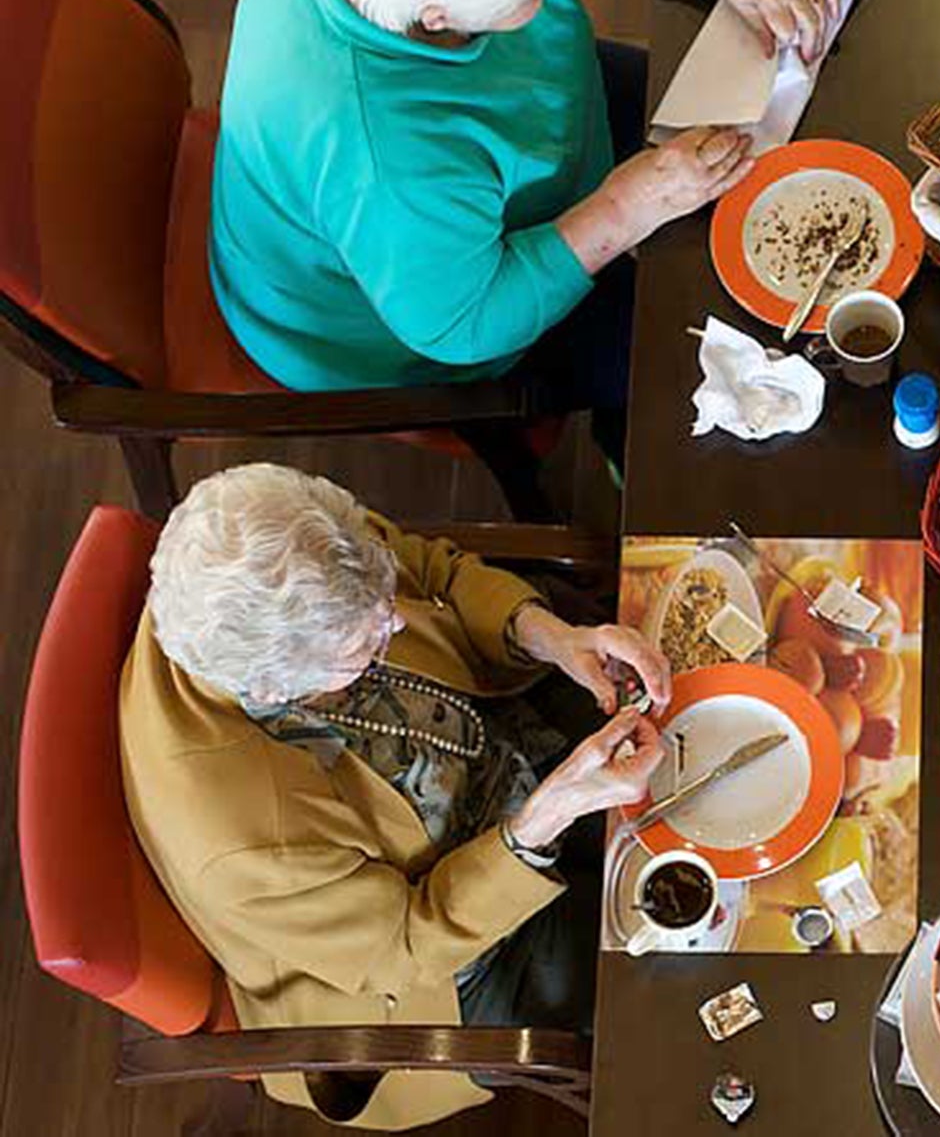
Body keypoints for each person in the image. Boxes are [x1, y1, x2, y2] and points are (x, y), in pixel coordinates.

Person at [210, 0, 842, 464]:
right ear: (438, 16)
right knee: (695, 358)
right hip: (419, 308)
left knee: (760, 154)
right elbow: (465, 322)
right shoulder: (384, 159)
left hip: (524, 135)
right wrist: (627, 206)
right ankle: (619, 443)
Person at [120, 463, 673, 1129]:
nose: (401, 628)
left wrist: (553, 638)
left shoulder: (270, 543)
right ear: (276, 691)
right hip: (444, 957)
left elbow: (427, 569)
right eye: (370, 646)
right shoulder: (237, 836)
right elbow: (409, 948)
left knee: (689, 766)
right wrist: (543, 820)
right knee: (668, 964)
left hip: (499, 742)